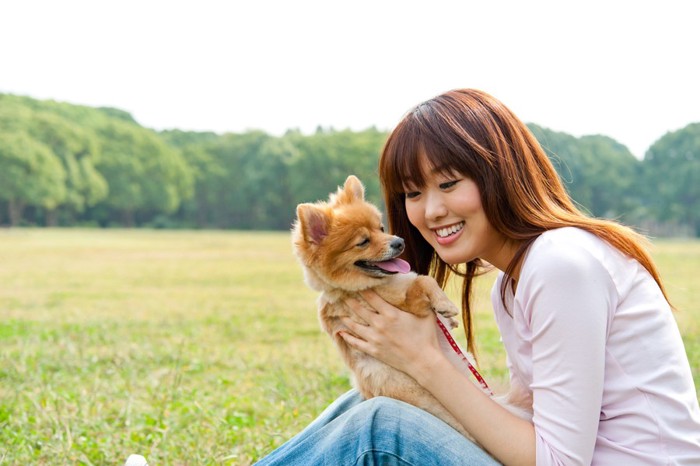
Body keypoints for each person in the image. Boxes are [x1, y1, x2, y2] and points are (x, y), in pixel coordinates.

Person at [256, 89, 700, 465]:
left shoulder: (561, 263)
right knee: (365, 402)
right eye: (413, 192)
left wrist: (422, 360)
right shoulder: (514, 283)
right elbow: (534, 418)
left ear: (500, 173)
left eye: (449, 184)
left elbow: (558, 460)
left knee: (379, 425)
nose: (430, 211)